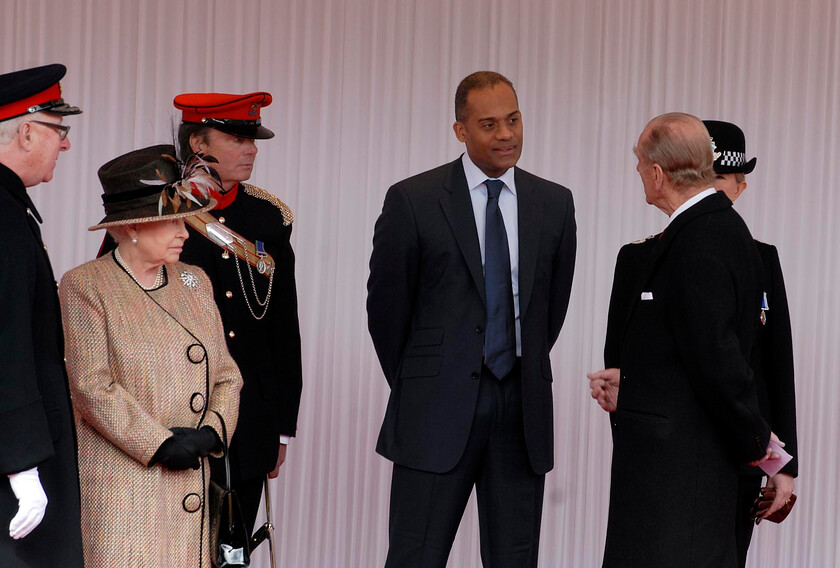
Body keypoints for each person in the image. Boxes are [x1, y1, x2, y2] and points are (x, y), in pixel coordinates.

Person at [367, 71, 576, 568]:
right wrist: (423, 379)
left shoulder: (554, 202)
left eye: (514, 119)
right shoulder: (413, 199)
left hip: (521, 410)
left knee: (515, 558)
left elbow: (553, 306)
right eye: (489, 124)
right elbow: (386, 309)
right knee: (416, 556)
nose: (506, 134)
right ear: (461, 130)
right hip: (435, 410)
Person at [591, 113, 781, 567]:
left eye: (639, 163)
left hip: (681, 485)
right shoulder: (706, 229)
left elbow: (718, 360)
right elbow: (683, 353)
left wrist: (759, 442)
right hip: (675, 479)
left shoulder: (702, 238)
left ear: (658, 174)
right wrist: (631, 384)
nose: (637, 172)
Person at [59, 144, 243, 568]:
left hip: (191, 478)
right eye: (171, 221)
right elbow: (91, 387)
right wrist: (159, 443)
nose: (184, 232)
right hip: (124, 484)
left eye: (185, 219)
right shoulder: (86, 285)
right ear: (132, 227)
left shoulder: (195, 281)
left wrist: (213, 432)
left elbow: (228, 375)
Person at [172, 92, 302, 536]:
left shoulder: (268, 217)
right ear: (198, 145)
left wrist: (282, 426)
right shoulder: (157, 212)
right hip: (174, 415)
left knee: (233, 547)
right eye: (236, 139)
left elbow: (284, 326)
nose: (252, 149)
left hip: (249, 418)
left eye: (254, 139)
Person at [0, 63, 84, 568]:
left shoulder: (11, 207)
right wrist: (22, 465)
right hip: (16, 456)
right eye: (60, 130)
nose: (66, 145)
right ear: (27, 130)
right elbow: (5, 343)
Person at [704, 119, 798, 567]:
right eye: (700, 177)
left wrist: (785, 465)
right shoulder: (641, 256)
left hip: (743, 449)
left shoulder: (762, 258)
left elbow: (776, 362)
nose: (710, 190)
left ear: (740, 186)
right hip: (670, 454)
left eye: (719, 179)